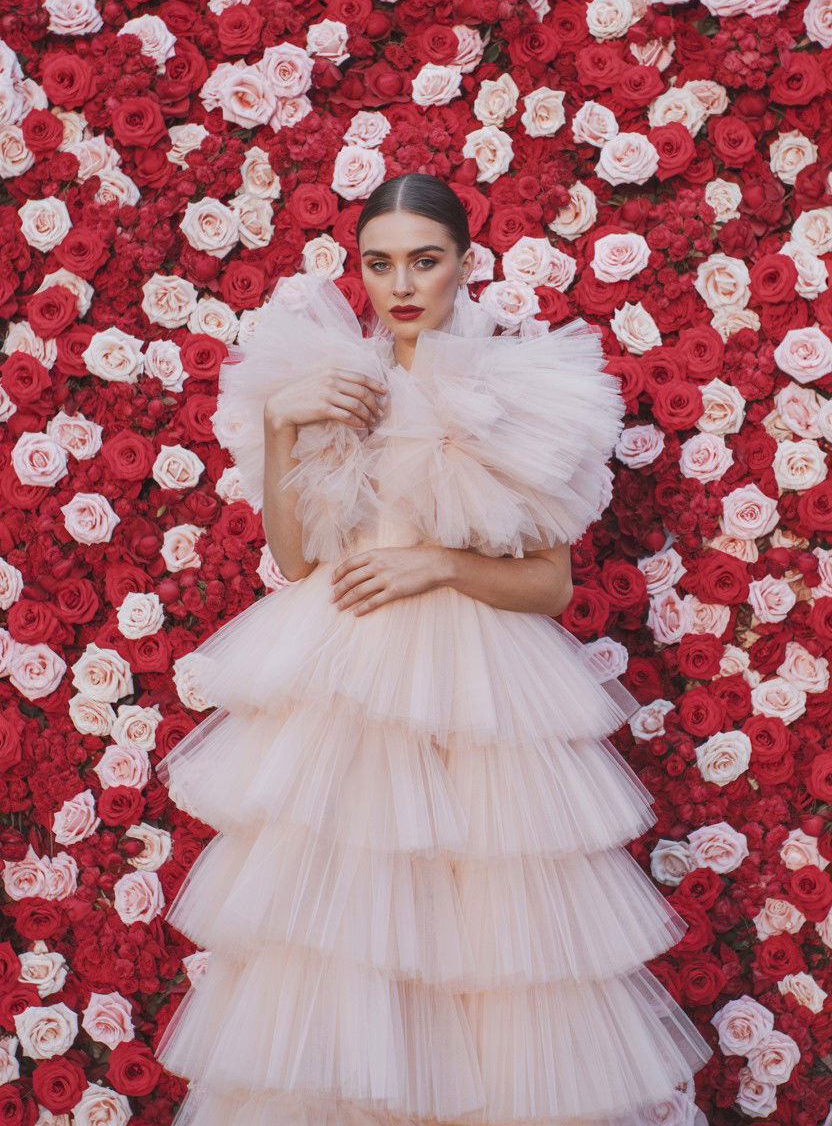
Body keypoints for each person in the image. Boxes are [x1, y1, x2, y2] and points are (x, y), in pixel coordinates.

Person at [153, 172, 713, 1126]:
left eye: (426, 260)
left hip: (475, 691)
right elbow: (296, 560)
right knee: (349, 938)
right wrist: (285, 423)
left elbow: (549, 584)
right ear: (357, 270)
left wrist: (436, 567)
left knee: (491, 939)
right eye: (380, 264)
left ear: (464, 263)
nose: (402, 285)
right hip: (347, 682)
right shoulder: (325, 378)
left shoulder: (513, 388)